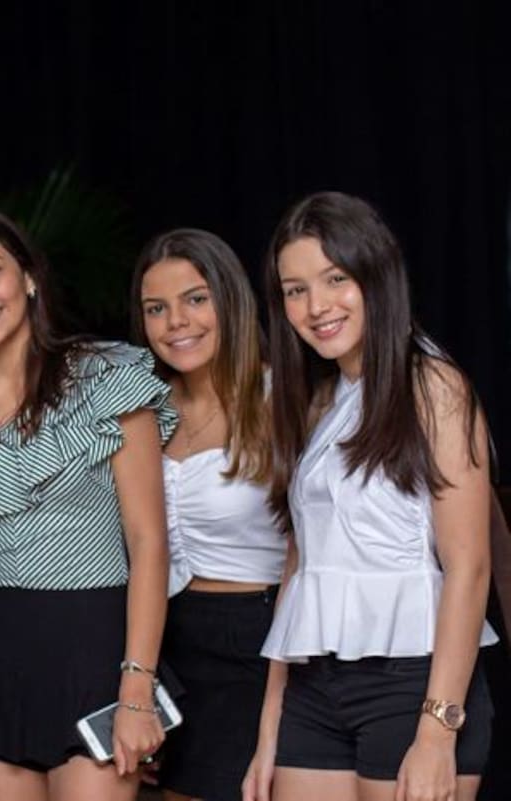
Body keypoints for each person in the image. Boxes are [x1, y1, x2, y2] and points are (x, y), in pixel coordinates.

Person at [0, 203, 174, 801]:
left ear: (28, 277)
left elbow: (149, 542)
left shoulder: (106, 375)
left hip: (96, 646)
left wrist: (136, 689)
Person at [243, 191, 498, 801]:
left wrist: (437, 733)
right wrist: (269, 727)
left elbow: (470, 567)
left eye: (335, 279)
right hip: (315, 687)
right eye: (294, 289)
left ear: (375, 276)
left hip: (415, 683)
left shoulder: (434, 385)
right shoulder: (317, 401)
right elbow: (300, 566)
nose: (316, 306)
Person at [129, 229, 287, 801]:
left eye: (196, 299)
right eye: (156, 308)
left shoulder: (283, 400)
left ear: (230, 299)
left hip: (261, 638)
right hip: (170, 642)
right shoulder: (140, 408)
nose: (177, 322)